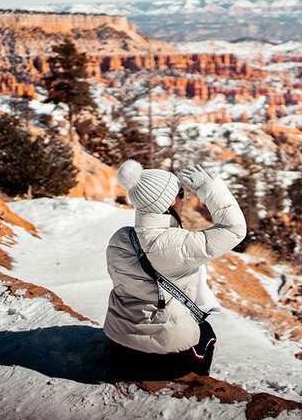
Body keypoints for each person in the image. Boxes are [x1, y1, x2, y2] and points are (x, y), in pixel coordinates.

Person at [104, 159, 247, 380]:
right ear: (170, 201)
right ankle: (197, 385)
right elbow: (234, 229)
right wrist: (208, 189)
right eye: (180, 193)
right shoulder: (173, 244)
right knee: (206, 333)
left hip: (118, 349)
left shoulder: (120, 238)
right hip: (163, 360)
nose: (183, 198)